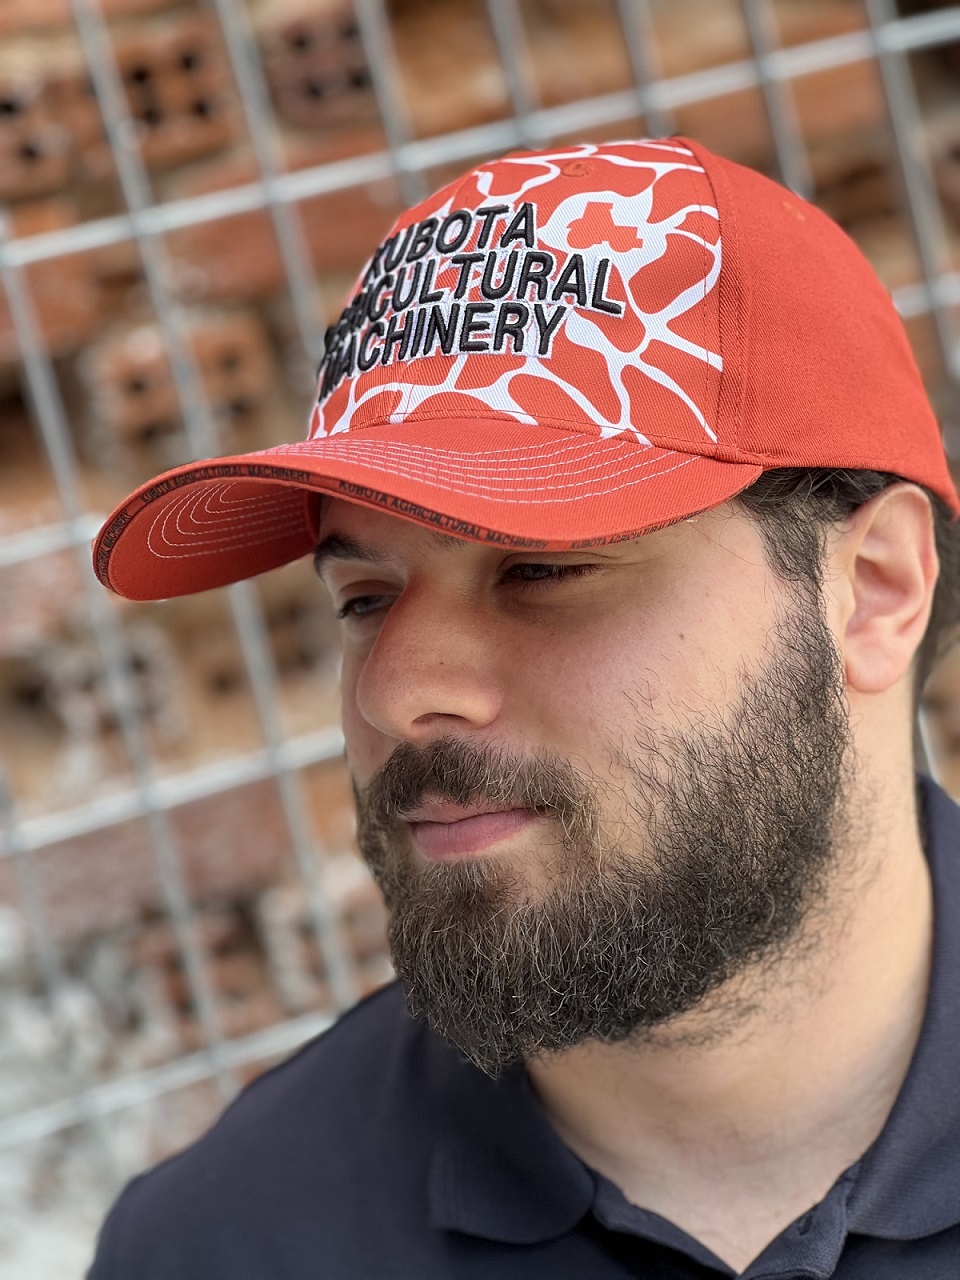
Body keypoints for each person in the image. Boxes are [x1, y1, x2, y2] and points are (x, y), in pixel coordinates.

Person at [88, 137, 960, 1278]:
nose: (395, 691)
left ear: (874, 589)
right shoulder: (224, 1247)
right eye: (364, 598)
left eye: (543, 568)